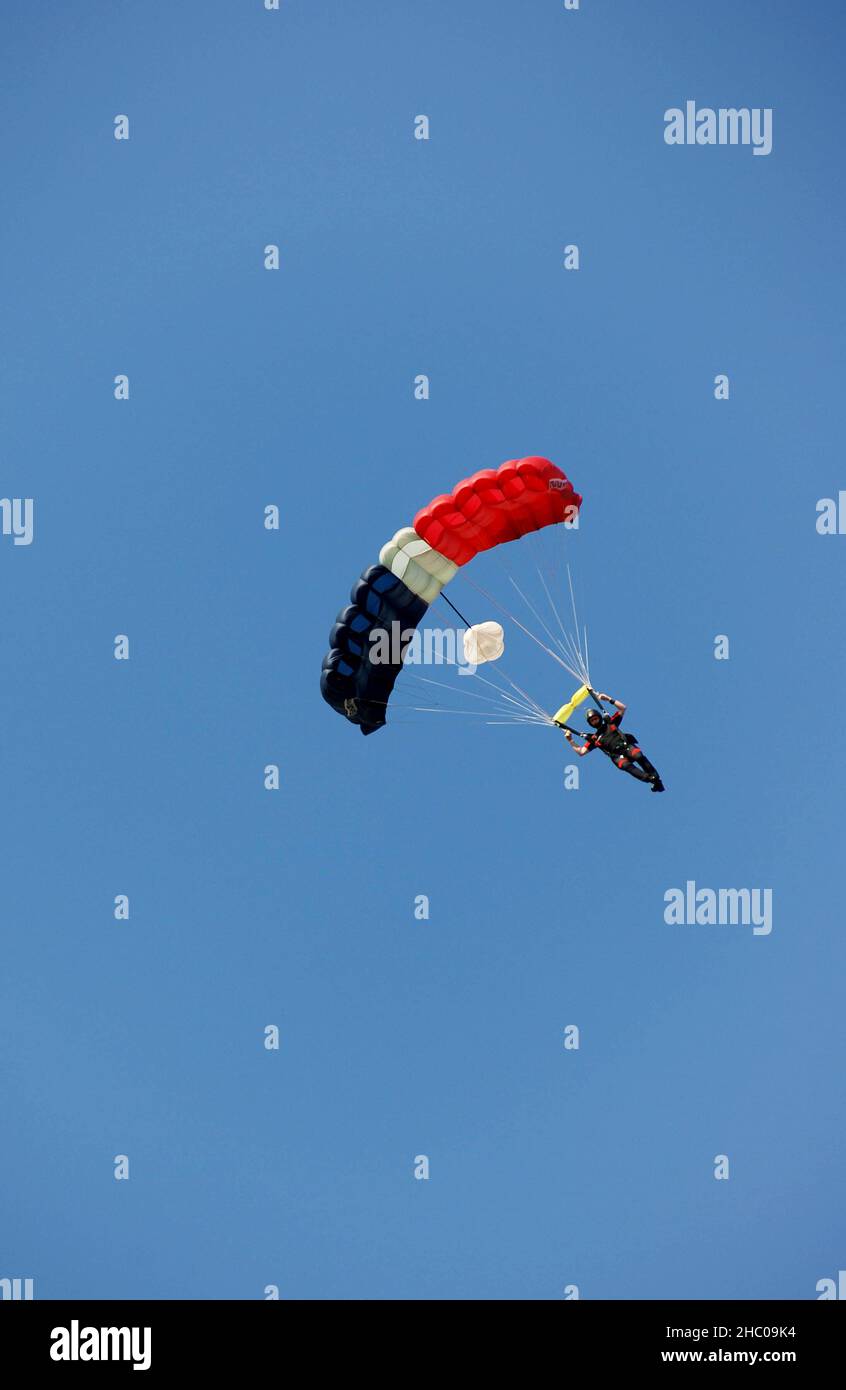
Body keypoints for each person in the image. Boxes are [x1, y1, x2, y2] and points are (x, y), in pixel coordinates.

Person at [556, 692, 665, 792]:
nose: (594, 721)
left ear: (599, 717)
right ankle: (650, 779)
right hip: (617, 756)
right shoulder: (594, 738)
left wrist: (608, 699)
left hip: (626, 746)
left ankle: (656, 779)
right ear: (590, 723)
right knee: (626, 766)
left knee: (638, 755)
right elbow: (581, 752)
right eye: (592, 721)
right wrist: (570, 740)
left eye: (595, 718)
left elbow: (623, 708)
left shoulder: (610, 723)